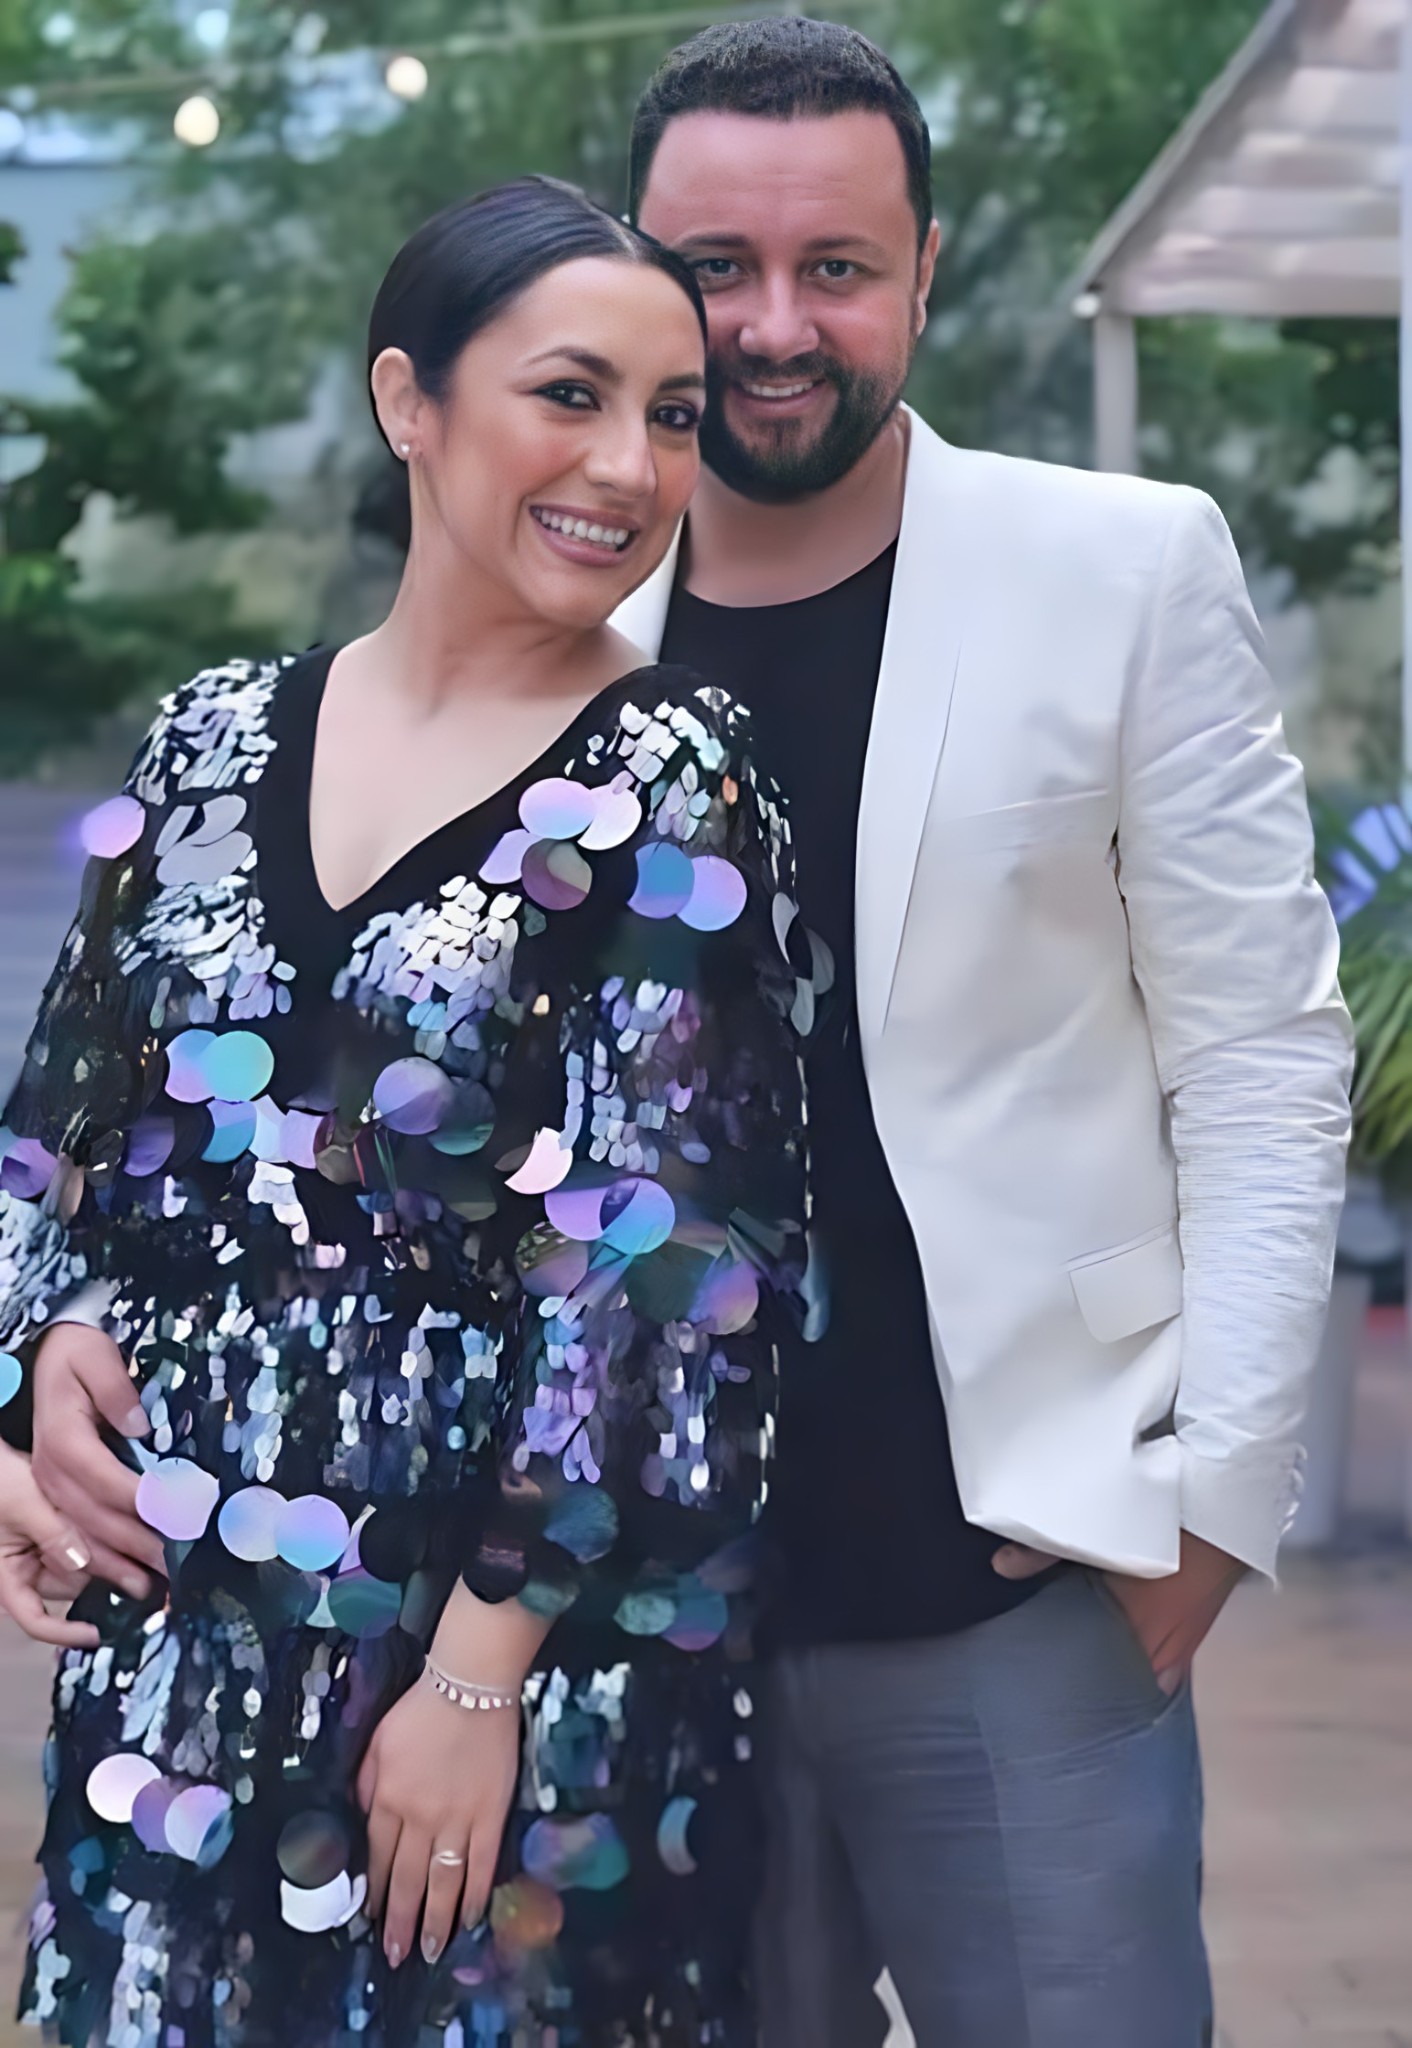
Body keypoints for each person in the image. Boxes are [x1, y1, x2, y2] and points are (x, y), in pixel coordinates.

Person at [0, 175, 812, 2046]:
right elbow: (56, 1124)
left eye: (671, 416)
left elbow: (672, 1272)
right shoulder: (208, 736)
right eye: (570, 394)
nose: (626, 466)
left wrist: (475, 1676)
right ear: (408, 401)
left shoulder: (676, 773)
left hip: (509, 1669)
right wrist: (34, 1377)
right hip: (185, 1644)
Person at [613, 18, 1350, 2047]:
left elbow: (1259, 1051)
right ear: (631, 267)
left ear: (925, 273)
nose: (775, 326)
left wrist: (1213, 1502)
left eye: (836, 267)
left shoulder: (1120, 566)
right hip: (636, 1607)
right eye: (714, 266)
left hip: (1022, 1581)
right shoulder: (546, 614)